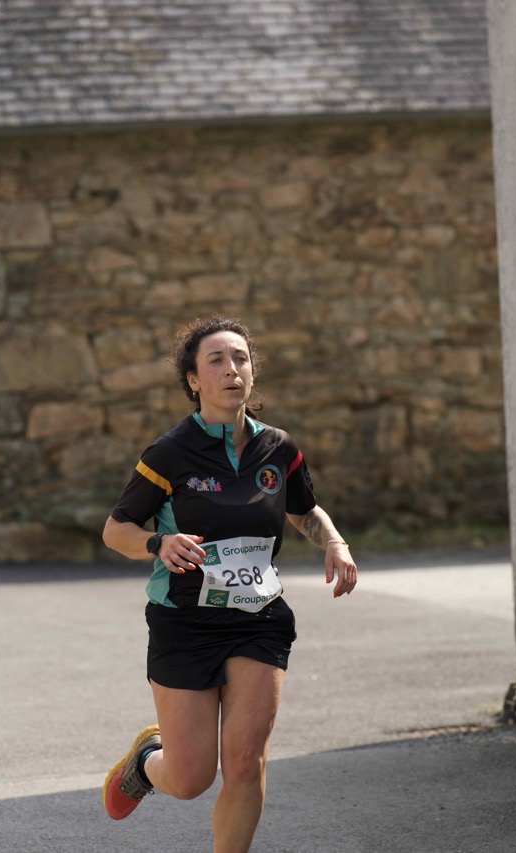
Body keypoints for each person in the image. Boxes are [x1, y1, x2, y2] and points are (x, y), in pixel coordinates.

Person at [101, 316, 358, 853]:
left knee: (245, 762)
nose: (231, 369)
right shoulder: (170, 453)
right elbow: (116, 529)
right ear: (194, 380)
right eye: (215, 360)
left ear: (252, 371)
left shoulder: (278, 449)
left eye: (240, 358)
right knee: (190, 777)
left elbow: (303, 508)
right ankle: (145, 764)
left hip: (258, 618)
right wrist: (157, 543)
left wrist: (334, 542)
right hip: (185, 622)